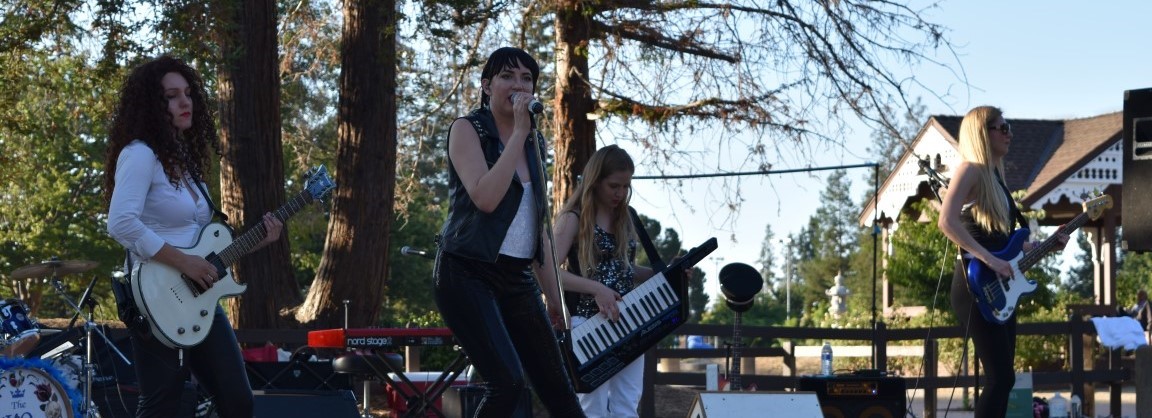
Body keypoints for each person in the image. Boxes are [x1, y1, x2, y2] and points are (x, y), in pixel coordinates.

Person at [103, 55, 283, 418]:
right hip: (152, 296)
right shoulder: (139, 155)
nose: (185, 102)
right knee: (162, 405)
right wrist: (184, 261)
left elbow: (203, 241)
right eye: (171, 96)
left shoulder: (184, 160)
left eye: (187, 93)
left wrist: (258, 240)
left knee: (237, 399)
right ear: (151, 105)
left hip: (198, 297)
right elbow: (120, 223)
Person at [433, 47, 585, 417]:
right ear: (487, 86)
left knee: (560, 389)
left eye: (527, 78)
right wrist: (518, 133)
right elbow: (485, 198)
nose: (518, 84)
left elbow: (540, 230)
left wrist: (553, 298)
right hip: (466, 271)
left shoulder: (536, 142)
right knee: (508, 383)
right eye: (507, 76)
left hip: (516, 276)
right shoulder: (467, 130)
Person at [937, 106, 1068, 417]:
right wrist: (990, 260)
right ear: (983, 133)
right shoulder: (969, 169)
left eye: (1008, 127)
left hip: (1000, 285)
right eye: (1002, 127)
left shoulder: (996, 178)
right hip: (975, 283)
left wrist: (1047, 246)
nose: (1010, 133)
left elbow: (1005, 243)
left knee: (1004, 379)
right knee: (1000, 377)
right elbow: (946, 221)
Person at [549, 145, 654, 418]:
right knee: (590, 407)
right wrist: (597, 289)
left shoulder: (624, 218)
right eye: (614, 186)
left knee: (627, 406)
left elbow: (622, 270)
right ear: (595, 181)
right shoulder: (573, 218)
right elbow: (550, 272)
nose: (620, 193)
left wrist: (663, 274)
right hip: (587, 323)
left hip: (627, 321)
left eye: (625, 187)